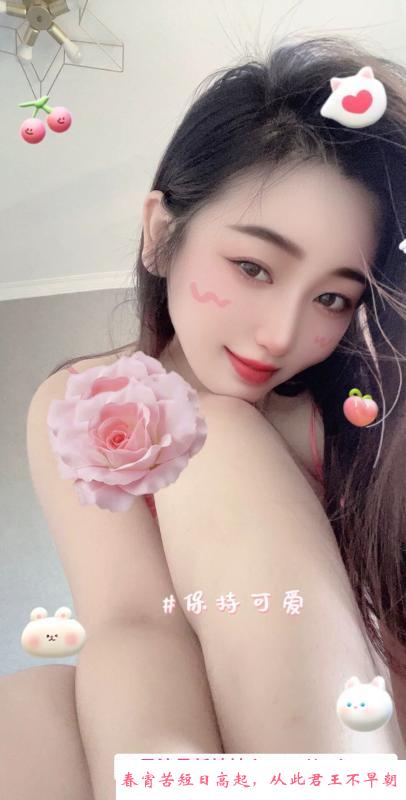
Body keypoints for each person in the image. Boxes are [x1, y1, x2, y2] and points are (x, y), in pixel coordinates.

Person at [1, 33, 405, 800]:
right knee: (28, 709)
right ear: (162, 235)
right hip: (198, 715)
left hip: (364, 727)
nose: (281, 335)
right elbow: (131, 622)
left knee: (216, 437)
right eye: (253, 267)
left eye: (332, 297)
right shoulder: (84, 401)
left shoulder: (356, 416)